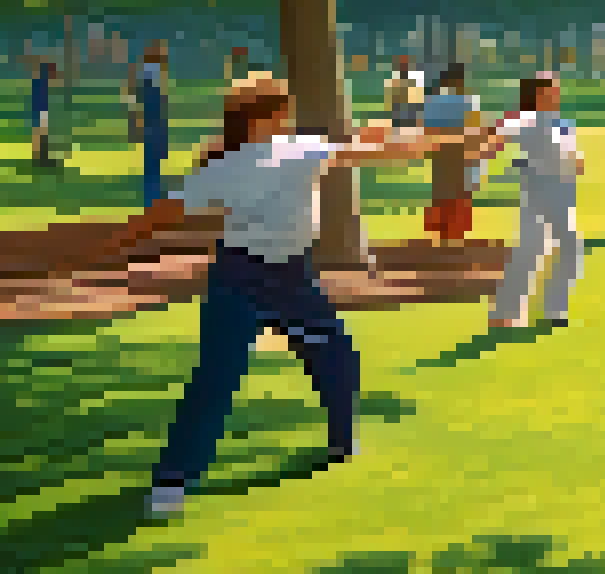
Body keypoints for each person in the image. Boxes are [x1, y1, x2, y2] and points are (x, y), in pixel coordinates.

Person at [44, 73, 500, 517]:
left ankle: (340, 442)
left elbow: (157, 218)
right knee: (219, 379)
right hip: (241, 279)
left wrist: (102, 251)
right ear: (270, 115)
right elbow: (390, 150)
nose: (293, 113)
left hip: (288, 277)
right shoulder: (293, 152)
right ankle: (172, 481)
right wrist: (458, 139)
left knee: (334, 356)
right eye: (287, 107)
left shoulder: (249, 160)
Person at [489, 74, 586, 329]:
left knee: (570, 247)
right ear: (537, 94)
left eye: (556, 88)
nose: (556, 93)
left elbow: (572, 155)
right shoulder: (525, 118)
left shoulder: (563, 122)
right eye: (551, 89)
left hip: (564, 191)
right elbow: (495, 135)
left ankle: (556, 308)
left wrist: (576, 162)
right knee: (530, 250)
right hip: (538, 189)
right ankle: (506, 313)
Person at [421, 63, 482, 245]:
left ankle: (441, 238)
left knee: (440, 192)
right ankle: (456, 239)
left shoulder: (432, 102)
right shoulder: (469, 101)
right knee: (459, 193)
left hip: (440, 153)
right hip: (460, 153)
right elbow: (474, 130)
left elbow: (427, 130)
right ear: (461, 81)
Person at [124, 42, 171, 206]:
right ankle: (152, 201)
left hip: (152, 127)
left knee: (152, 167)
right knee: (153, 167)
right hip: (153, 127)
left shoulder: (149, 75)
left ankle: (152, 201)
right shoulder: (152, 76)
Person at [29, 56, 57, 168]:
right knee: (40, 133)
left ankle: (41, 157)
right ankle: (40, 158)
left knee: (41, 133)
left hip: (41, 110)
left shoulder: (40, 81)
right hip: (40, 110)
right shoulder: (40, 81)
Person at [385, 55, 425, 129]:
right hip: (399, 106)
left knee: (411, 124)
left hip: (411, 105)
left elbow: (418, 95)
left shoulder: (416, 75)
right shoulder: (395, 76)